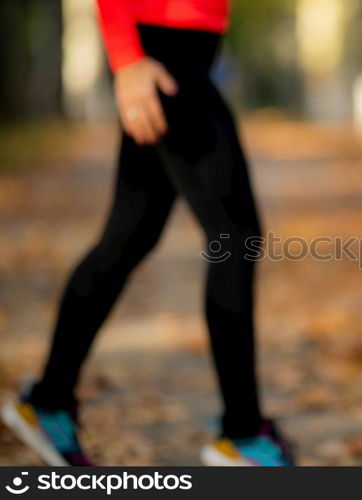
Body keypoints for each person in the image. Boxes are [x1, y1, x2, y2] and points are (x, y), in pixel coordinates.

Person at [1, 0, 293, 466]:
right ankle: (244, 437)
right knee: (235, 238)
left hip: (180, 50)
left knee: (129, 235)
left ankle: (49, 401)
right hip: (164, 57)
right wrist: (127, 59)